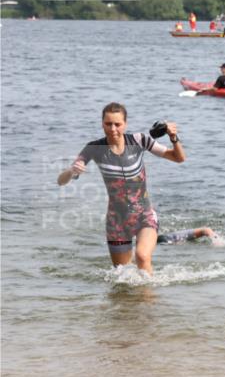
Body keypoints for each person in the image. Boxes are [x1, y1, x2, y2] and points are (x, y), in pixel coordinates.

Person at [57, 102, 186, 273]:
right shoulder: (94, 148)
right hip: (116, 221)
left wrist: (173, 138)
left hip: (144, 215)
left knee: (142, 256)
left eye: (117, 124)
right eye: (108, 124)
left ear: (125, 124)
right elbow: (61, 181)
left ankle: (150, 299)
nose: (113, 129)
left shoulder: (139, 140)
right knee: (123, 274)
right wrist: (72, 170)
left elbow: (178, 158)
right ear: (102, 123)